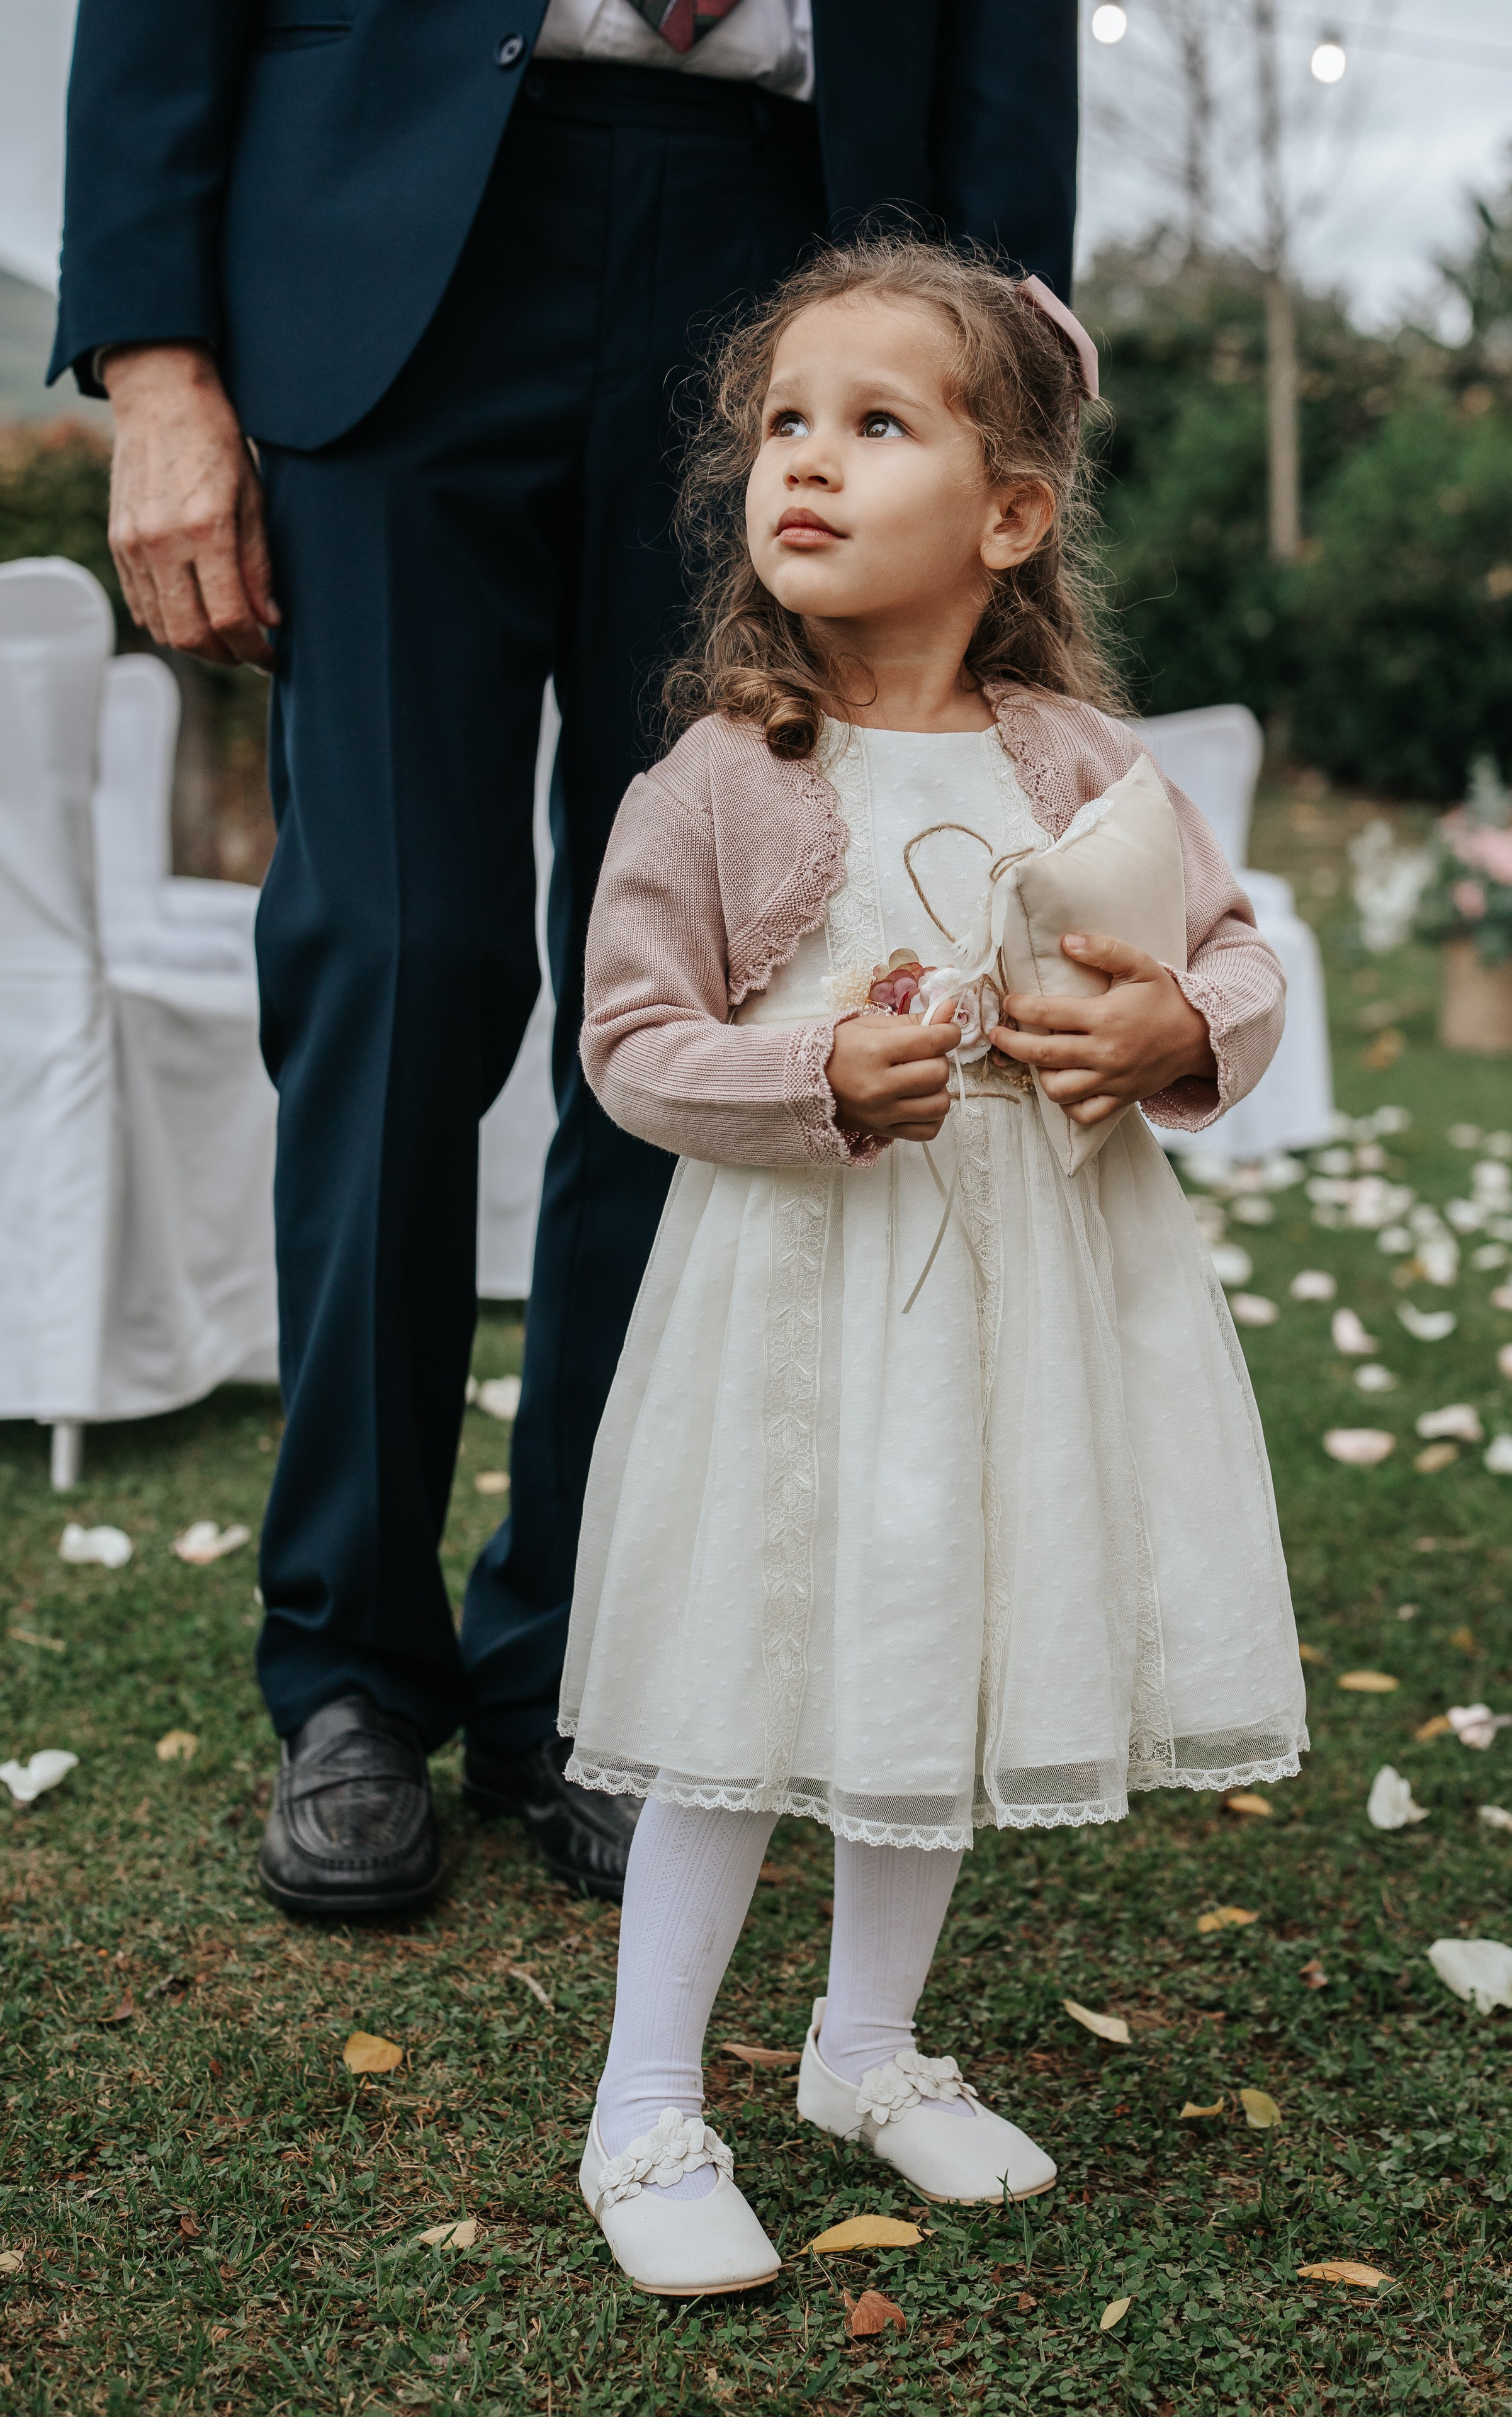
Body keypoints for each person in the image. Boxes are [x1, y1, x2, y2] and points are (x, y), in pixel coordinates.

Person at [49, 2, 1081, 1917]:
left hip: (796, 247)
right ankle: (350, 1674)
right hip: (377, 240)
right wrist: (158, 359)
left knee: (714, 979)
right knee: (395, 955)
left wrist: (1009, 317)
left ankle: (585, 1669)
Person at [558, 237, 1307, 2296]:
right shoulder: (719, 773)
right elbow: (629, 1045)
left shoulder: (1070, 757)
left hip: (1021, 1296)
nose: (803, 462)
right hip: (795, 1298)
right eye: (782, 422)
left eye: (873, 424)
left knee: (940, 1655)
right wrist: (812, 1070)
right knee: (744, 1672)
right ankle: (647, 2109)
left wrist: (1184, 1031)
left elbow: (1236, 951)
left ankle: (866, 2049)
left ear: (1009, 515)